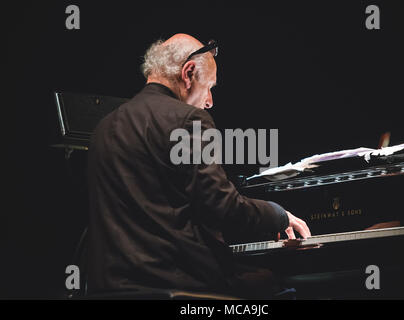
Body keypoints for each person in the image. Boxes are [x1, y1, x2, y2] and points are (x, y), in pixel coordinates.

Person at [86, 33, 311, 298]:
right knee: (282, 285)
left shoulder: (103, 127)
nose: (209, 102)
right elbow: (223, 207)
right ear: (189, 73)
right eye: (210, 87)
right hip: (177, 283)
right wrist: (278, 214)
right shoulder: (188, 120)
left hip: (112, 288)